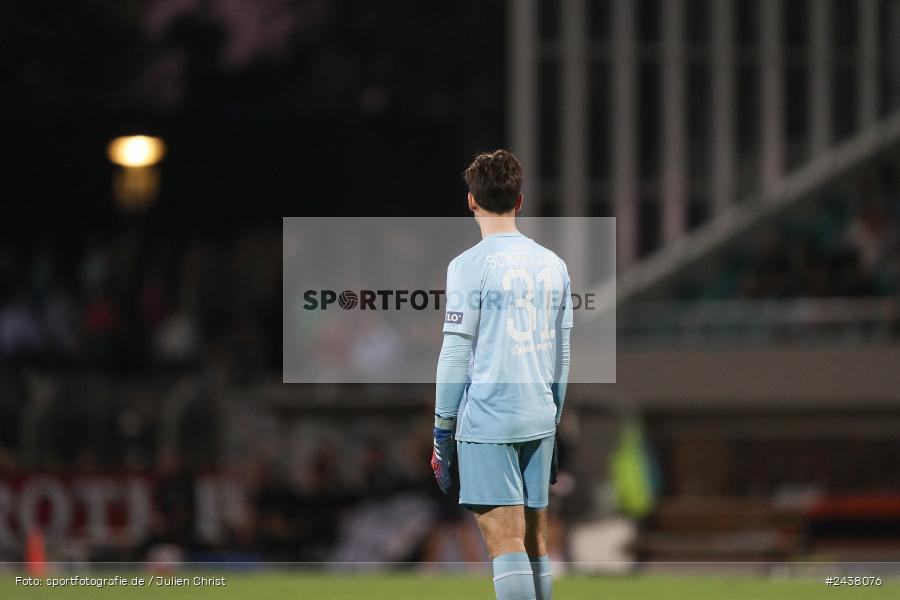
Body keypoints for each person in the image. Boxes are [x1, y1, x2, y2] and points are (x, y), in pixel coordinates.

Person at [430, 150, 572, 600]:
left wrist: (441, 430)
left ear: (471, 201)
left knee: (506, 543)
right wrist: (553, 420)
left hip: (489, 419)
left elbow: (455, 353)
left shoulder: (468, 265)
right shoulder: (553, 264)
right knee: (536, 545)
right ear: (520, 200)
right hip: (538, 416)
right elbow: (562, 356)